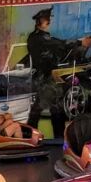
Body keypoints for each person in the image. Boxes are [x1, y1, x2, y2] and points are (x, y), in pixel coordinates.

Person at [26, 7, 69, 138]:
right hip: (44, 78)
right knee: (43, 108)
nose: (49, 21)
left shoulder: (45, 37)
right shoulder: (36, 38)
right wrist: (77, 43)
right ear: (40, 21)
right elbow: (55, 44)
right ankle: (30, 135)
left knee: (54, 109)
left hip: (50, 77)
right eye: (47, 19)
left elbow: (58, 46)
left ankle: (56, 137)